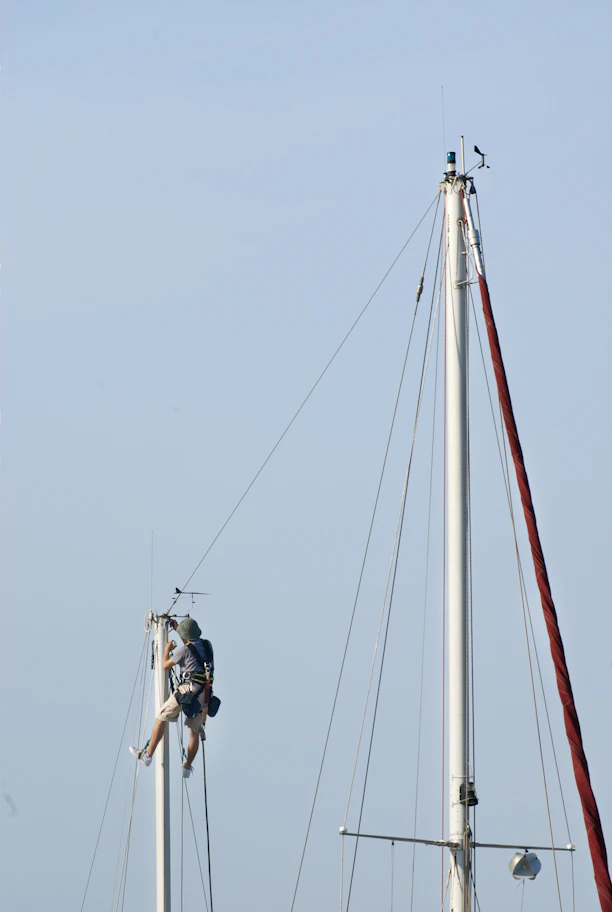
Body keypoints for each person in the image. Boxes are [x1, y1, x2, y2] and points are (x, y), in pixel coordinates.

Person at [129, 617, 213, 778]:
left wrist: (167, 649)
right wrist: (179, 631)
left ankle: (148, 755)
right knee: (194, 733)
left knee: (161, 716)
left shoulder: (183, 651)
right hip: (203, 693)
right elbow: (192, 649)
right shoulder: (207, 645)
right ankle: (187, 767)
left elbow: (165, 665)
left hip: (187, 690)